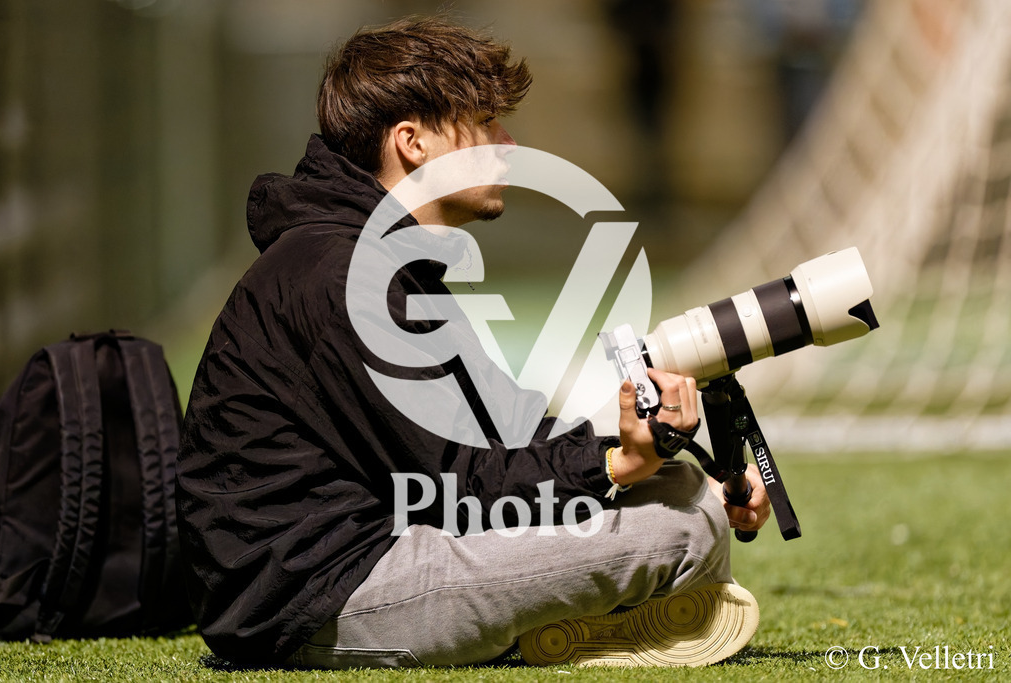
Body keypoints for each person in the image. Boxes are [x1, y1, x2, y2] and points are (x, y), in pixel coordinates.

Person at [176, 14, 771, 670]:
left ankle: (564, 621)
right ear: (413, 142)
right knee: (680, 526)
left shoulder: (377, 260)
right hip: (315, 598)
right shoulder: (343, 277)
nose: (508, 142)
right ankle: (562, 628)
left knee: (682, 490)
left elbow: (499, 430)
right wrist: (613, 468)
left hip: (370, 546)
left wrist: (639, 455)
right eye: (485, 122)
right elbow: (463, 483)